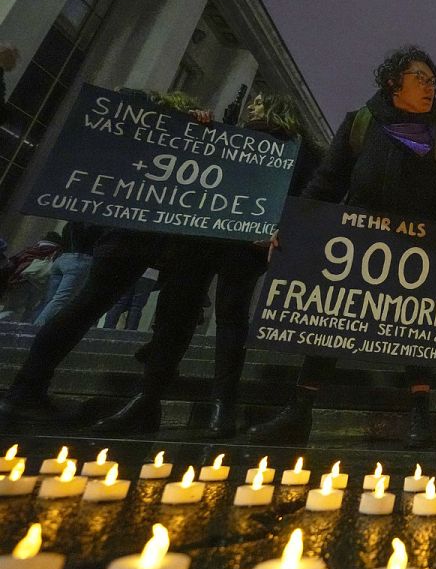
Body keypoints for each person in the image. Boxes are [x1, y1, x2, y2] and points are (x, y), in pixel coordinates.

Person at [245, 46, 436, 446]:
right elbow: (328, 181)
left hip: (415, 249)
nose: (430, 87)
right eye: (420, 79)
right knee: (333, 322)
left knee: (417, 327)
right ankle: (299, 412)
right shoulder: (360, 123)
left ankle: (419, 415)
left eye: (433, 81)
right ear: (393, 82)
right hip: (356, 242)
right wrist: (291, 225)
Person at [91, 93, 313, 438]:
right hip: (200, 238)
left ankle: (223, 405)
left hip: (247, 245)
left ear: (278, 108)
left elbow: (306, 196)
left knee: (231, 317)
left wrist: (281, 228)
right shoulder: (224, 135)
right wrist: (194, 126)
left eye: (259, 102)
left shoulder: (297, 151)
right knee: (175, 311)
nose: (251, 106)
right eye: (251, 101)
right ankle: (148, 398)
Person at [0, 90, 212, 428]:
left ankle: (27, 389)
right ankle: (26, 391)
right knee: (85, 307)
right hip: (131, 234)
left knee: (87, 307)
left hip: (144, 237)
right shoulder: (141, 127)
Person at [33, 222, 102, 326]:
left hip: (62, 259)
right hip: (79, 260)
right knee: (61, 299)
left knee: (50, 299)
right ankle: (37, 328)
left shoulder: (70, 223)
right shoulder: (95, 225)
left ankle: (33, 323)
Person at [0, 232, 61, 322]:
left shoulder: (32, 249)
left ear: (44, 238)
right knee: (29, 311)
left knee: (11, 308)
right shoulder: (58, 253)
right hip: (40, 285)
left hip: (22, 281)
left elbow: (11, 265)